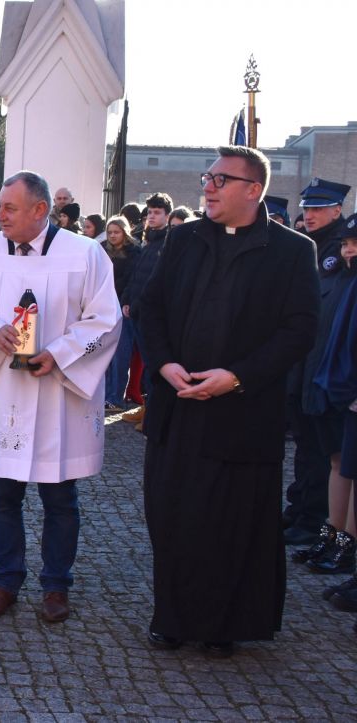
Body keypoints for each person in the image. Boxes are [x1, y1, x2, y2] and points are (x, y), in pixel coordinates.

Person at [138, 146, 319, 656]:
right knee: (172, 516)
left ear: (252, 189)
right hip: (179, 406)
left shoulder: (291, 251)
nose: (208, 187)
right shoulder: (182, 239)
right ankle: (171, 617)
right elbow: (149, 309)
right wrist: (163, 363)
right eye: (207, 177)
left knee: (232, 523)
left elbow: (300, 330)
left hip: (242, 413)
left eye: (220, 179)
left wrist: (237, 377)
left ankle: (223, 626)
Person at [0, 170, 121, 624]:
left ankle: (56, 585)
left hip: (57, 398)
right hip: (5, 389)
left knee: (59, 499)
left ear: (40, 211)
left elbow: (105, 320)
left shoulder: (85, 254)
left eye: (9, 208)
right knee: (1, 497)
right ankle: (6, 580)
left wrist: (61, 354)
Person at [285, 177, 353, 555]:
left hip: (326, 368)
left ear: (337, 211)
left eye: (317, 209)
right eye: (307, 208)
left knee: (327, 455)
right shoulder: (312, 247)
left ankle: (321, 525)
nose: (308, 215)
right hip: (305, 363)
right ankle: (303, 513)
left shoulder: (335, 253)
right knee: (310, 448)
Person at [313, 215, 357, 616]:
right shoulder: (346, 281)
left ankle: (347, 549)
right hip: (337, 390)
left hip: (349, 392)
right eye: (346, 244)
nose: (349, 250)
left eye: (354, 244)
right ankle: (337, 538)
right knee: (340, 466)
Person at [118, 192, 175, 429]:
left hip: (150, 313)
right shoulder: (148, 240)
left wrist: (139, 304)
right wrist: (128, 299)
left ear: (167, 215)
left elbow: (156, 281)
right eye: (149, 212)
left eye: (157, 212)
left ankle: (152, 414)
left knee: (153, 366)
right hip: (137, 310)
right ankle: (146, 409)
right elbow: (138, 275)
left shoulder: (168, 242)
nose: (151, 216)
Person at [102, 215, 141, 413]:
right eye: (110, 232)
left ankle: (115, 397)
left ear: (125, 233)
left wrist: (126, 301)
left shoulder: (135, 252)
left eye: (116, 232)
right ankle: (105, 395)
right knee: (104, 356)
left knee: (120, 356)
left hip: (122, 307)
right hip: (103, 307)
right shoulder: (101, 249)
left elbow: (133, 279)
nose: (113, 236)